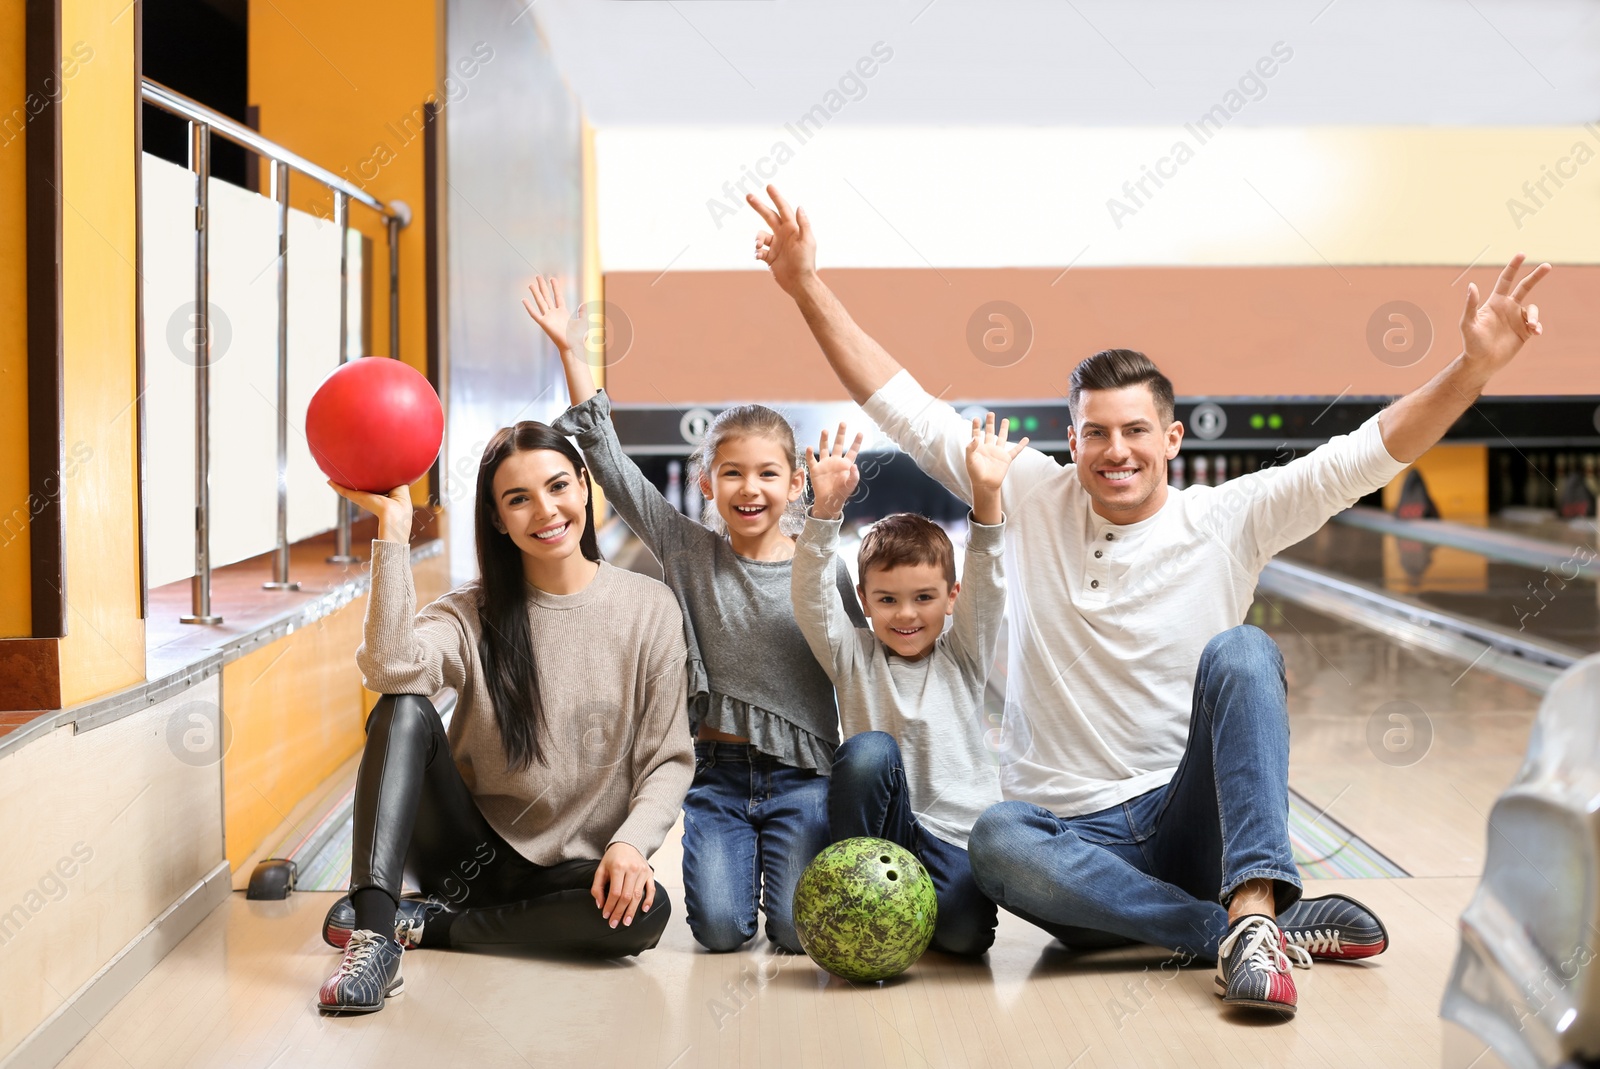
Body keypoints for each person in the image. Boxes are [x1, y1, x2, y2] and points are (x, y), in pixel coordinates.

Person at [746, 184, 1550, 1015]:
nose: (1115, 449)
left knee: (1243, 651)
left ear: (1171, 437)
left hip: (1187, 819)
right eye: (1095, 431)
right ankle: (1244, 926)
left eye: (1135, 431)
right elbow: (899, 402)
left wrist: (1475, 369)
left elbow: (1367, 454)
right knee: (998, 837)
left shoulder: (1230, 514)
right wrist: (807, 286)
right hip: (1076, 852)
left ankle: (1244, 906)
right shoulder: (1029, 492)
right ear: (1070, 439)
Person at [524, 278, 869, 954]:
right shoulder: (688, 549)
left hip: (804, 776)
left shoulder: (821, 563)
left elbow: (860, 668)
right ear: (706, 482)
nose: (750, 488)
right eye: (732, 473)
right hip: (716, 776)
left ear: (795, 482)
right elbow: (610, 461)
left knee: (799, 938)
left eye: (768, 474)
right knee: (718, 931)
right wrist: (572, 351)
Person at [315, 423, 693, 1015]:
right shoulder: (469, 613)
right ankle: (373, 937)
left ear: (586, 488)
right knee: (403, 708)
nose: (546, 510)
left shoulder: (651, 608)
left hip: (568, 869)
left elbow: (667, 758)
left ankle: (421, 926)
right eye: (518, 499)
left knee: (644, 915)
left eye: (558, 486)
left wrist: (631, 844)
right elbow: (389, 669)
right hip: (461, 853)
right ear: (497, 518)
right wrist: (392, 535)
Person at [793, 415, 1025, 957]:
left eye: (924, 597)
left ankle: (917, 916)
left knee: (963, 940)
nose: (906, 615)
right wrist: (823, 513)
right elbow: (808, 598)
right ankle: (852, 893)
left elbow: (988, 584)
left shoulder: (964, 652)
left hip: (953, 836)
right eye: (888, 600)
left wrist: (987, 499)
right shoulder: (852, 654)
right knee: (869, 750)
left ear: (951, 596)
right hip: (882, 834)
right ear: (865, 600)